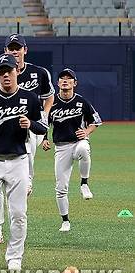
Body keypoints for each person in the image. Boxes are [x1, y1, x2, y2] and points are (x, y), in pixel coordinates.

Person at [0, 54, 48, 271]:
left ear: (16, 72)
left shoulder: (30, 98)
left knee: (19, 213)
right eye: (1, 72)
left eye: (10, 71)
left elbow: (43, 127)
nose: (6, 75)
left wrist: (30, 123)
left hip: (18, 161)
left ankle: (15, 256)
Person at [0, 33, 55, 196]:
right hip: (6, 121)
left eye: (17, 48)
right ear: (5, 51)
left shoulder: (39, 72)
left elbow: (49, 97)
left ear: (25, 50)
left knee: (27, 142)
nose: (14, 51)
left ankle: (27, 180)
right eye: (11, 48)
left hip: (32, 122)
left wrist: (44, 115)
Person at [42, 68, 102, 232]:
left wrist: (87, 132)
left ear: (75, 83)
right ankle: (65, 221)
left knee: (84, 148)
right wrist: (45, 139)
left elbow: (96, 121)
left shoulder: (82, 101)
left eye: (69, 78)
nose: (65, 80)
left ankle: (84, 183)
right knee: (60, 188)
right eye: (62, 78)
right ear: (58, 83)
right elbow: (43, 123)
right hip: (61, 148)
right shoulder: (51, 103)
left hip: (77, 142)